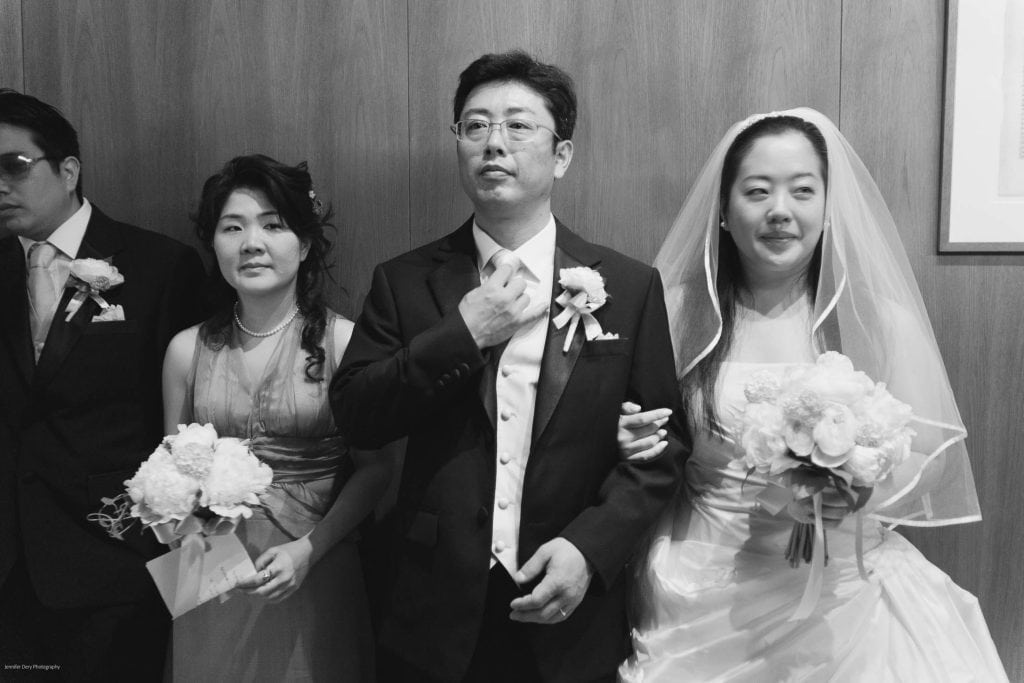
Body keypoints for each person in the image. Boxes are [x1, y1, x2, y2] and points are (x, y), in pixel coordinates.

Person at [330, 50, 688, 682]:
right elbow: (358, 415)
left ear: (562, 154)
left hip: (566, 602)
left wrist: (590, 547)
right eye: (475, 126)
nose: (494, 142)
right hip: (433, 606)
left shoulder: (628, 286)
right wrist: (461, 334)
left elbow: (663, 448)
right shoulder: (404, 281)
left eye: (518, 125)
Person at [617, 108, 1007, 681]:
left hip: (846, 588)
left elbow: (928, 454)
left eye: (802, 191)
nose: (780, 210)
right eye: (757, 191)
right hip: (703, 581)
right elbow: (645, 436)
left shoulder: (877, 321)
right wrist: (629, 441)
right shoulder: (675, 313)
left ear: (828, 207)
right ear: (723, 210)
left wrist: (857, 485)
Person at [0, 89, 206, 680]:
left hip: (115, 557)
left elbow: (193, 417)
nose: (0, 184)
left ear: (68, 170)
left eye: (15, 165)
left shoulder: (160, 265)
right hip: (10, 564)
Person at [162, 154, 391, 681]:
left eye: (272, 225)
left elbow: (378, 469)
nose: (251, 243)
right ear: (214, 243)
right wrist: (186, 536)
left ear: (305, 244)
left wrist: (311, 550)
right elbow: (170, 478)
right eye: (232, 227)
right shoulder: (184, 350)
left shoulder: (343, 342)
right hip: (206, 570)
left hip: (312, 563)